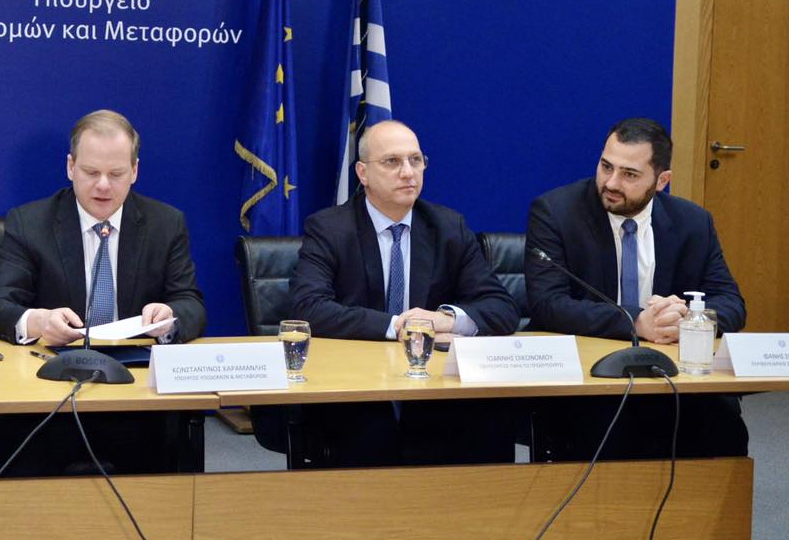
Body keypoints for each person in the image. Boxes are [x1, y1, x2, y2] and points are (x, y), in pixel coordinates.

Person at [280, 119, 518, 466]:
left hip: (430, 385)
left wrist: (445, 319)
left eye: (415, 160)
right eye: (392, 162)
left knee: (490, 420)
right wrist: (399, 326)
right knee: (369, 430)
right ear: (363, 173)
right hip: (355, 386)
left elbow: (502, 308)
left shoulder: (448, 227)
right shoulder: (330, 228)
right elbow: (308, 307)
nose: (408, 172)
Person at [0, 109, 206, 475]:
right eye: (90, 172)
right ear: (70, 167)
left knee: (165, 455)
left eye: (116, 174)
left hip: (136, 398)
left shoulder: (166, 224)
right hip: (49, 394)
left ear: (134, 171)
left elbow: (190, 302)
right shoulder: (29, 223)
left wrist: (170, 319)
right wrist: (38, 321)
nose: (103, 185)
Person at [525, 117, 747, 459]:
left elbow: (731, 302)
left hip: (669, 373)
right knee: (606, 427)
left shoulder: (693, 222)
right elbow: (547, 304)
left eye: (629, 174)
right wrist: (637, 322)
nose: (611, 183)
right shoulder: (556, 212)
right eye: (606, 166)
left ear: (662, 181)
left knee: (722, 422)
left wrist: (688, 320)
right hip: (588, 375)